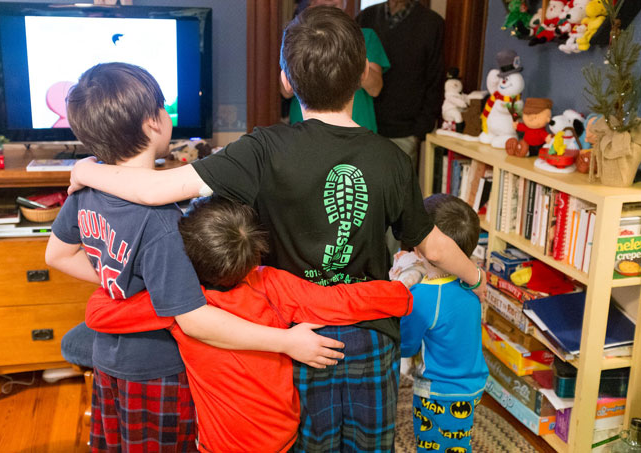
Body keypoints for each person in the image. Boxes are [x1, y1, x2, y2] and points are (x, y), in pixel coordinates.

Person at [69, 7, 485, 451]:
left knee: (301, 440)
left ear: (286, 80)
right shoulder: (392, 158)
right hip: (369, 332)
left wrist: (86, 170)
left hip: (293, 332)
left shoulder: (261, 148)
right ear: (361, 74)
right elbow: (434, 248)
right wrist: (476, 278)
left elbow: (155, 189)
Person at [45, 62, 346, 452]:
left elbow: (57, 255)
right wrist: (286, 341)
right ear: (153, 123)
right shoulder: (162, 223)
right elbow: (196, 321)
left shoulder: (84, 193)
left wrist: (118, 276)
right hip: (158, 369)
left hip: (108, 359)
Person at [84, 195, 425, 452]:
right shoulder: (271, 285)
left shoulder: (176, 302)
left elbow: (97, 313)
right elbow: (342, 301)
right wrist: (402, 287)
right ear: (254, 254)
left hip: (222, 442)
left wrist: (147, 274)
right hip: (280, 434)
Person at [392, 194, 489, 453]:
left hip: (440, 391)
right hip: (471, 382)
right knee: (456, 442)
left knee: (433, 446)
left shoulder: (424, 296)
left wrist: (399, 290)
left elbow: (405, 346)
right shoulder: (470, 281)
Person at [357, 0, 445, 166]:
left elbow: (435, 79)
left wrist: (420, 130)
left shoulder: (432, 23)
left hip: (405, 133)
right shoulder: (366, 17)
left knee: (399, 182)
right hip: (365, 127)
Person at [280, 0, 390, 133]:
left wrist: (349, 56)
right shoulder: (296, 38)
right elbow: (286, 91)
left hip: (357, 129)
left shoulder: (366, 36)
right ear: (309, 3)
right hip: (306, 130)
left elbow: (375, 89)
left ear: (344, 2)